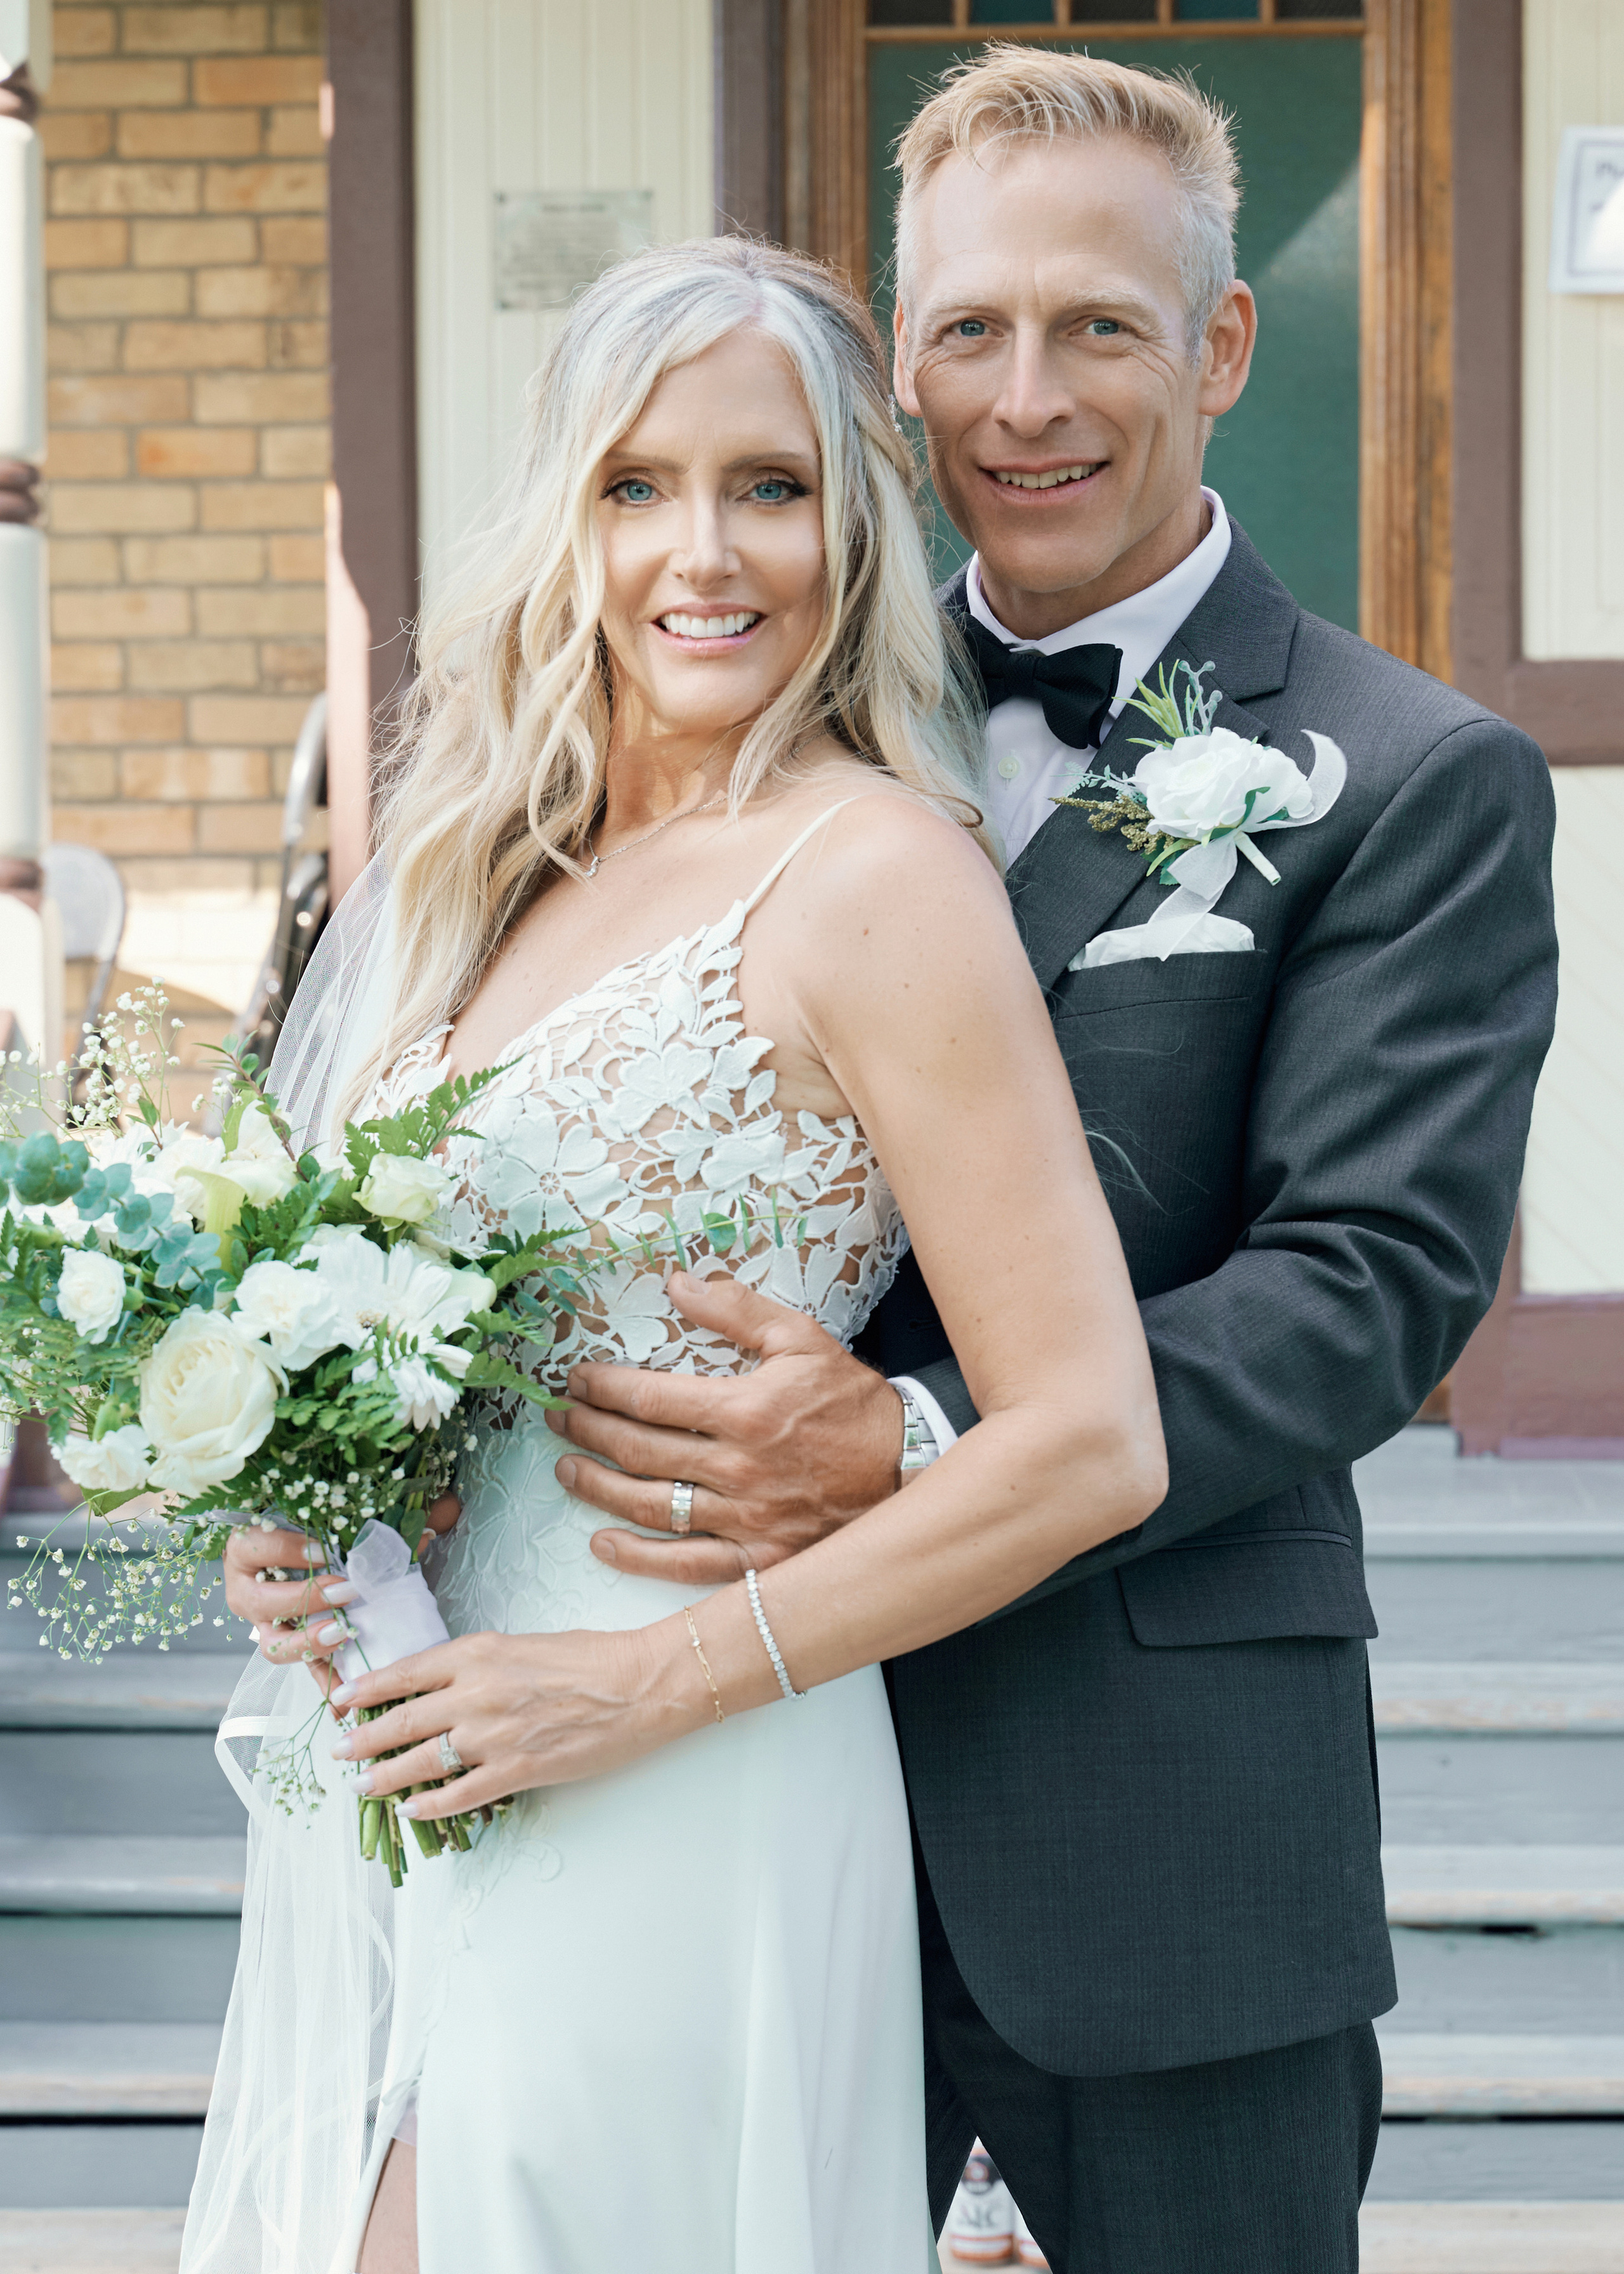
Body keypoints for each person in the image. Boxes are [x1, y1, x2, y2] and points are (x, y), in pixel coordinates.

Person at [520, 52, 1561, 2274]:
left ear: (1222, 344)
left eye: (1100, 324)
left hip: (1154, 1826)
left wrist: (917, 1437)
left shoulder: (1409, 775)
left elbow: (1370, 1280)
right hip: (730, 1807)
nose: (1028, 396)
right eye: (972, 331)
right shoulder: (760, 742)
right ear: (900, 364)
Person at [193, 235, 1165, 2274]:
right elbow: (401, 1344)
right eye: (639, 487)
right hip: (415, 1751)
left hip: (680, 1768)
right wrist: (297, 1511)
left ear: (856, 525)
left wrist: (632, 1694)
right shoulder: (487, 879)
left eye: (773, 486)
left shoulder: (877, 874)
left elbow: (1089, 1440)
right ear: (568, 518)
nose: (702, 555)